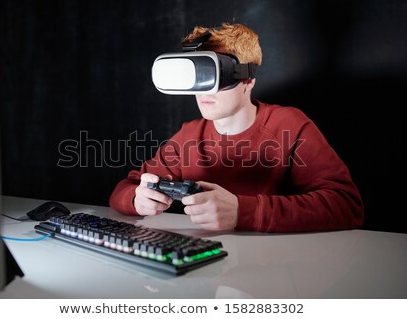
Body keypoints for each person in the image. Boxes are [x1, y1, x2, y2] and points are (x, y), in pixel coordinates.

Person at [109, 23, 364, 232]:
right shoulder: (189, 136)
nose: (205, 90)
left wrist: (244, 211)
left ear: (248, 80)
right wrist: (137, 199)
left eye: (217, 75)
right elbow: (125, 187)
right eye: (200, 76)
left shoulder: (289, 126)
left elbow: (346, 205)